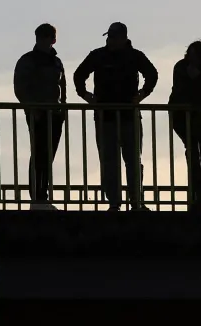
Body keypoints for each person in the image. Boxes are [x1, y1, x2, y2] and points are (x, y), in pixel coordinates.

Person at [73, 22, 158, 211]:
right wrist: (86, 96)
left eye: (113, 36)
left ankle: (135, 201)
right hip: (105, 116)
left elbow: (152, 75)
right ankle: (114, 202)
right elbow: (79, 75)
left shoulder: (135, 56)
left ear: (123, 38)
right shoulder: (98, 55)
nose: (109, 40)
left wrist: (143, 94)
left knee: (133, 159)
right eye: (108, 36)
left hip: (128, 115)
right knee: (109, 160)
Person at [14, 23, 67, 211]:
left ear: (53, 39)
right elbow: (20, 87)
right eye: (42, 37)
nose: (45, 40)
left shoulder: (56, 62)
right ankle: (37, 197)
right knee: (39, 154)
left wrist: (63, 111)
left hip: (55, 114)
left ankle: (42, 196)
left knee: (48, 155)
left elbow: (62, 88)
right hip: (38, 114)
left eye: (48, 37)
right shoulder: (28, 60)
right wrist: (32, 109)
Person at [169, 40, 201, 212]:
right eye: (190, 56)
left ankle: (196, 199)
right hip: (180, 115)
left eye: (196, 56)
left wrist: (197, 79)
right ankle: (199, 192)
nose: (192, 60)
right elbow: (182, 92)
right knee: (193, 148)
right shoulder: (181, 67)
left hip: (199, 116)